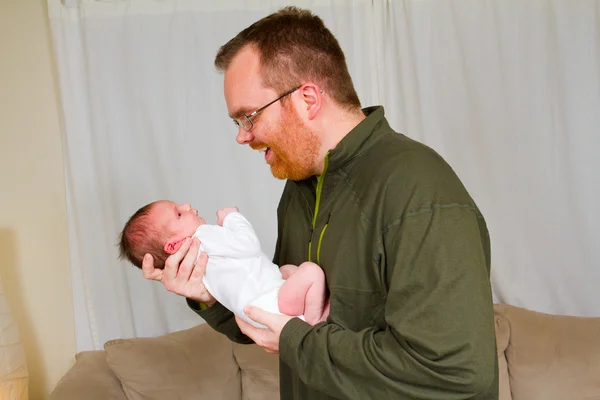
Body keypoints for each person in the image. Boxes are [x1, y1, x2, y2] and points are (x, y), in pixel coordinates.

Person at [141, 6, 499, 400]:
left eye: (249, 117)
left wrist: (299, 341)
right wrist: (207, 293)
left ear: (308, 98)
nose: (243, 137)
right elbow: (278, 313)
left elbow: (457, 374)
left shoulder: (421, 191)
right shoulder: (299, 188)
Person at [118, 200, 328, 327]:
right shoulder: (203, 236)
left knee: (287, 270)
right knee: (311, 271)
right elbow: (249, 245)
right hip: (273, 304)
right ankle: (315, 322)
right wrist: (232, 218)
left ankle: (306, 316)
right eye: (179, 213)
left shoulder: (197, 268)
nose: (187, 206)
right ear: (173, 246)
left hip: (256, 315)